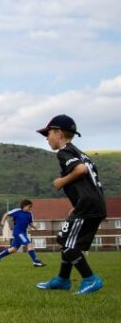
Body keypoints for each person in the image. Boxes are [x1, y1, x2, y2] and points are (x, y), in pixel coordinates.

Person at [35, 115, 106, 294]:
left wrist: (61, 181)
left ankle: (90, 279)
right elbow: (91, 179)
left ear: (59, 133)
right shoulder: (80, 153)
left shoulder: (64, 151)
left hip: (88, 206)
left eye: (48, 133)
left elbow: (80, 170)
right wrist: (77, 203)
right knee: (65, 239)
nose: (46, 137)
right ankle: (62, 279)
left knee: (68, 244)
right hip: (91, 204)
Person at [0, 199, 44, 267]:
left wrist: (35, 227)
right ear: (24, 206)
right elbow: (7, 214)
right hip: (18, 232)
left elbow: (30, 223)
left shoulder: (30, 214)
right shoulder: (17, 211)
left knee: (13, 249)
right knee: (29, 244)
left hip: (23, 233)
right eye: (29, 206)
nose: (30, 208)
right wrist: (2, 221)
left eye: (31, 207)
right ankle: (35, 261)